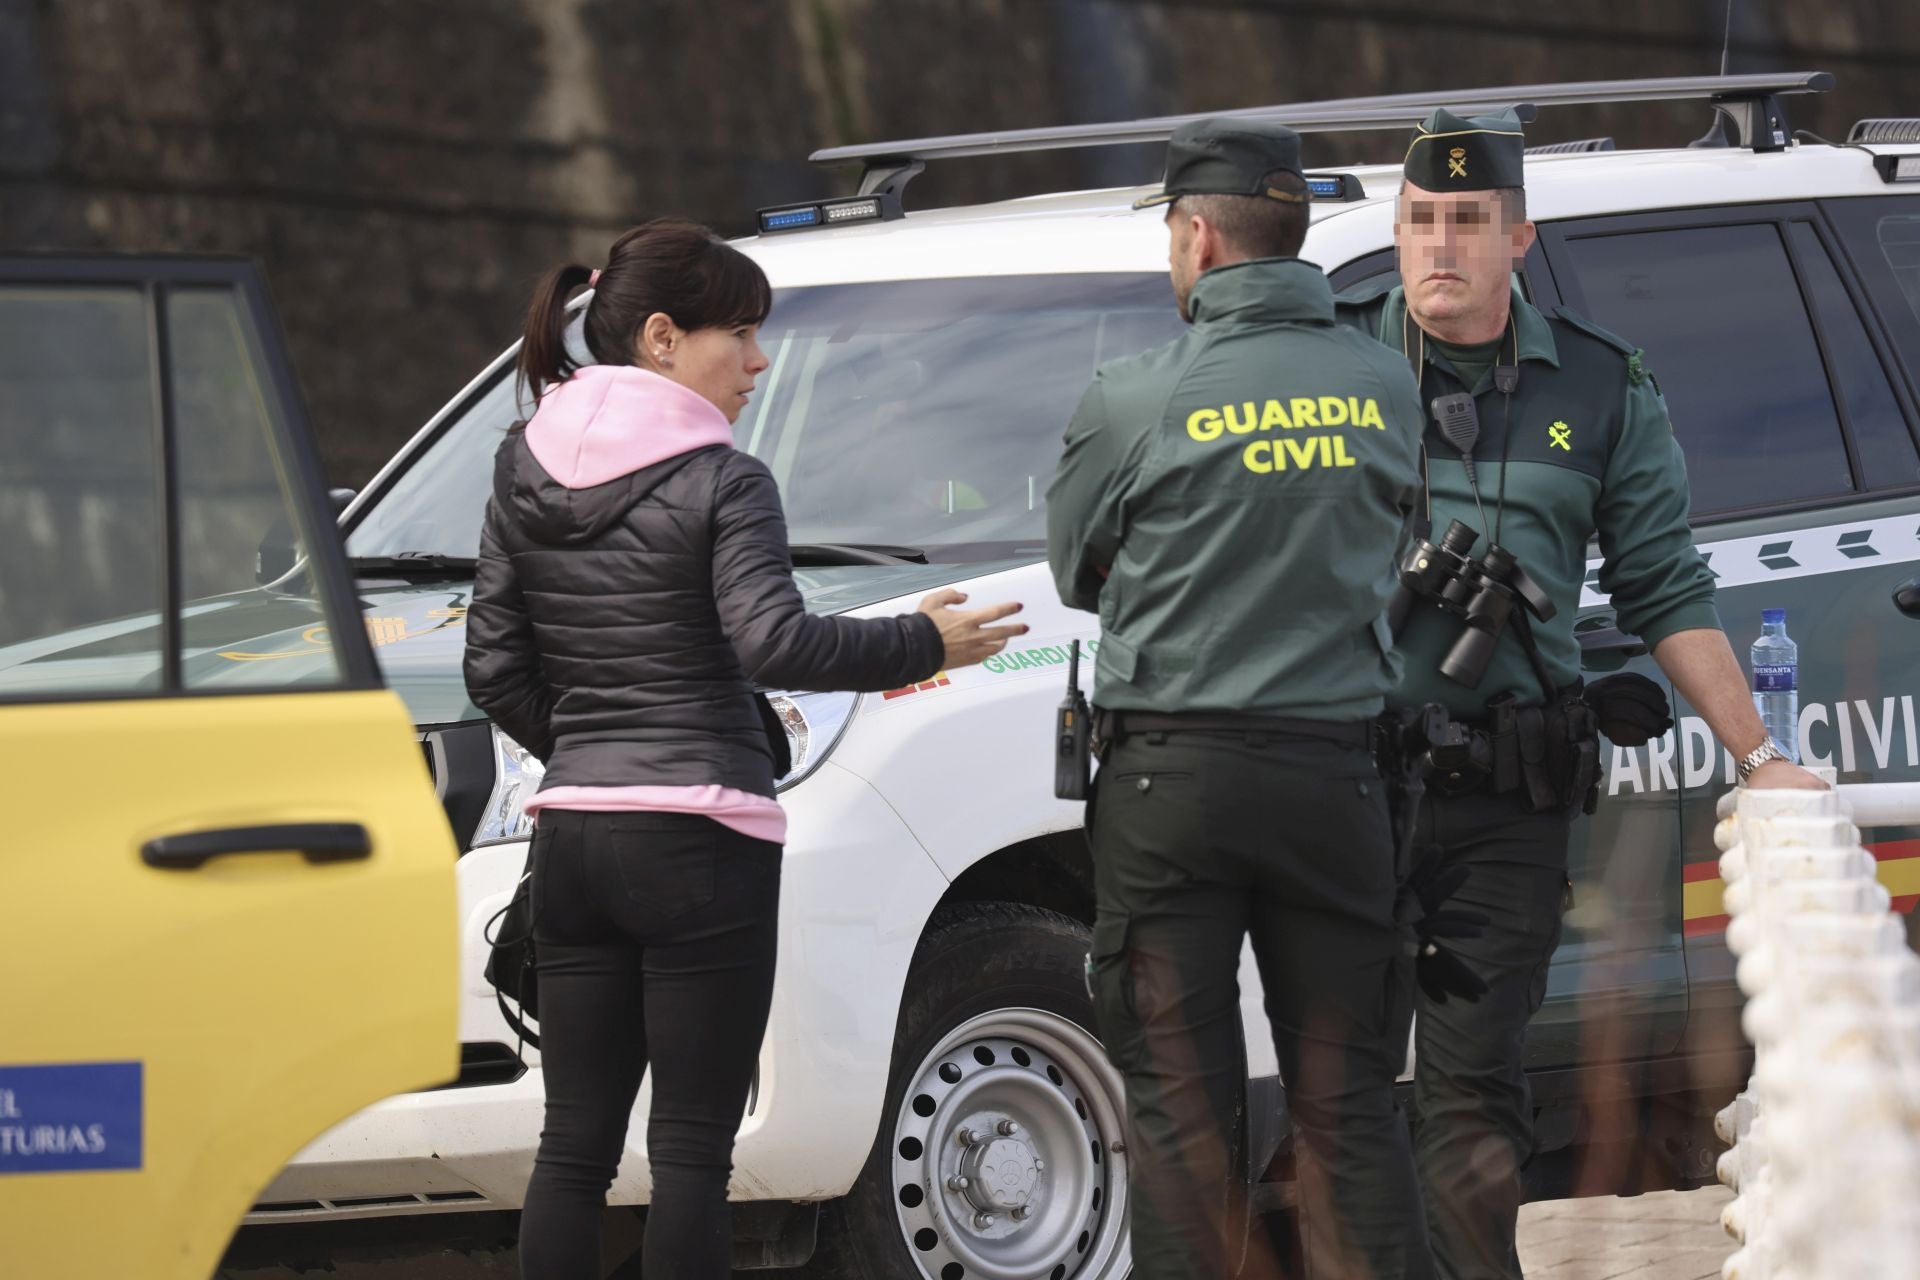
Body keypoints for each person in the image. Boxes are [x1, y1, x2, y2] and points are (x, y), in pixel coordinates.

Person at [463, 217, 1028, 1280]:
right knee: (688, 1148)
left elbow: (493, 670)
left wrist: (595, 746)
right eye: (743, 334)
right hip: (703, 842)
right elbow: (774, 640)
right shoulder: (724, 480)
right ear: (665, 338)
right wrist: (925, 639)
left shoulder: (519, 466)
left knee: (573, 1144)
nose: (760, 363)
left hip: (576, 835)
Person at [1334, 108, 1826, 1280]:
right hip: (1342, 789)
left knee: (1470, 1098)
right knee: (1340, 1091)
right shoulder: (1334, 361)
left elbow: (1667, 585)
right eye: (1419, 222)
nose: (1438, 247)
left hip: (1506, 802)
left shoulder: (1599, 386)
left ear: (1521, 238)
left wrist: (1760, 756)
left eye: (1467, 222)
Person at [1048, 119, 1434, 1280]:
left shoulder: (1132, 394)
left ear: (1199, 236)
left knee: (1178, 1110)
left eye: (1172, 239)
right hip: (1336, 775)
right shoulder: (1384, 379)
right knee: (1352, 1100)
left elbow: (1078, 570)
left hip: (1171, 786)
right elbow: (1388, 535)